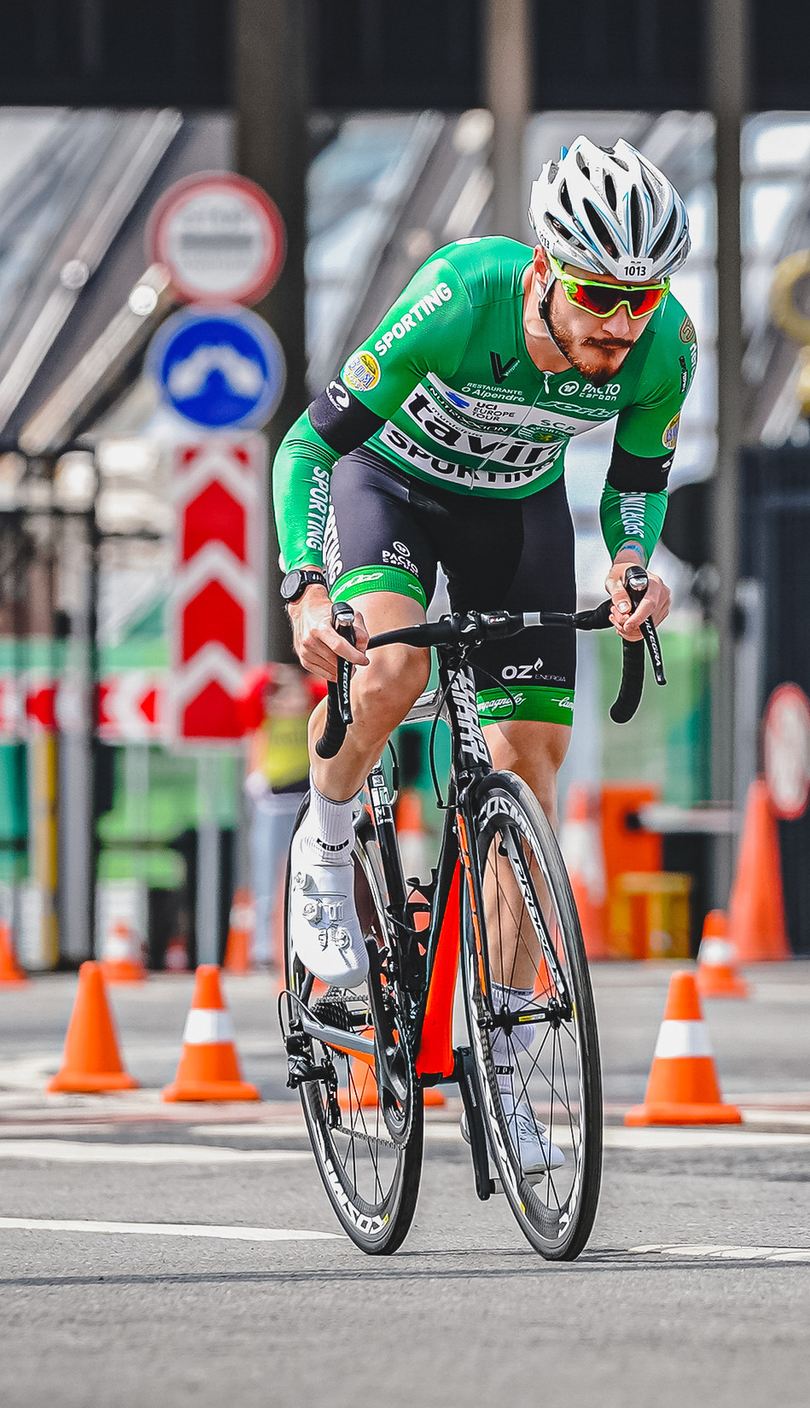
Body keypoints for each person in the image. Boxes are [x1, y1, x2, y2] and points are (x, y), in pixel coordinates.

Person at [273, 136, 689, 1171]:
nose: (619, 323)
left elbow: (636, 481)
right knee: (394, 669)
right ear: (546, 269)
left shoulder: (665, 347)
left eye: (641, 300)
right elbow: (309, 445)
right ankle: (327, 837)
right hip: (391, 492)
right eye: (598, 295)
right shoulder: (461, 298)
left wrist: (631, 565)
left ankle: (498, 1067)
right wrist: (306, 587)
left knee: (528, 766)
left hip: (515, 510)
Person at [242, 662, 314, 968]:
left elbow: (329, 686)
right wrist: (276, 673)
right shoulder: (264, 718)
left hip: (304, 803)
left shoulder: (312, 713)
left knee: (308, 875)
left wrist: (301, 680)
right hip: (272, 804)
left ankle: (305, 943)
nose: (291, 702)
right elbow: (249, 691)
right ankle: (264, 949)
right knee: (267, 879)